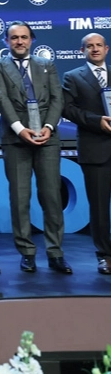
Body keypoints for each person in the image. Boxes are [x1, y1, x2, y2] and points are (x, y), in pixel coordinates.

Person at [0, 21, 71, 274]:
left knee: (51, 197)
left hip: (47, 138)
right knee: (19, 198)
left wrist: (49, 126)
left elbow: (57, 98)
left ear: (31, 40)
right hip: (16, 140)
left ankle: (55, 252)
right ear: (6, 41)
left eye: (24, 37)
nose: (19, 42)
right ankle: (26, 252)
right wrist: (19, 129)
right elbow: (1, 99)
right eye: (14, 38)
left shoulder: (46, 64)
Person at [62, 33, 111, 275]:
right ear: (82, 51)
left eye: (99, 45)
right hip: (95, 149)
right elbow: (67, 109)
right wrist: (96, 121)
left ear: (106, 49)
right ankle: (105, 256)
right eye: (89, 46)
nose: (95, 49)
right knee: (99, 207)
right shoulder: (72, 77)